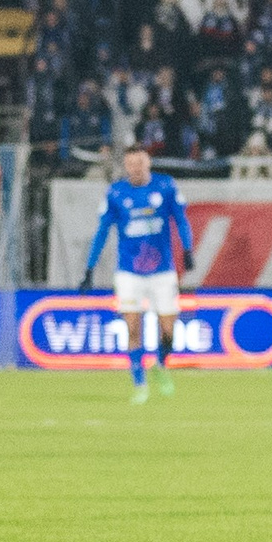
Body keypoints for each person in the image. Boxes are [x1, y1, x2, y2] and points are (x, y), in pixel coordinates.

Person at [79, 144, 195, 404]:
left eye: (140, 163)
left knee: (169, 330)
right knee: (133, 327)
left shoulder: (165, 187)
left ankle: (161, 365)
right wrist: (89, 267)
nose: (135, 168)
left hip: (162, 271)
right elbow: (102, 231)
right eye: (131, 164)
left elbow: (181, 219)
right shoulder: (116, 193)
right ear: (126, 166)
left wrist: (188, 249)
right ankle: (139, 383)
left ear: (148, 163)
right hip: (129, 272)